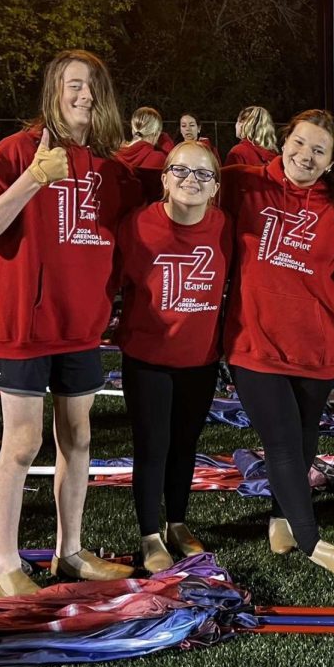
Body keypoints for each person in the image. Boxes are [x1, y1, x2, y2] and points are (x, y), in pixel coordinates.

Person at [0, 49, 139, 597]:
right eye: (73, 84)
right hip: (25, 323)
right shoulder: (19, 149)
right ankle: (5, 567)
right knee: (22, 443)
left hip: (82, 325)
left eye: (93, 86)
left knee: (79, 438)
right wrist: (32, 179)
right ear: (54, 90)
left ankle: (70, 552)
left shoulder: (112, 168)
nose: (84, 94)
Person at [221, 108, 334, 575]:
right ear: (283, 141)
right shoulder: (243, 183)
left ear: (332, 160)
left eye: (319, 150)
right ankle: (310, 539)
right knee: (280, 441)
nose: (305, 155)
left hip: (317, 341)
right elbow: (178, 176)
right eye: (299, 143)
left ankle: (280, 518)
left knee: (303, 440)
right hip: (255, 338)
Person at [114, 141, 231, 572]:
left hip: (199, 358)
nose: (190, 180)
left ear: (216, 186)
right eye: (180, 170)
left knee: (186, 445)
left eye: (203, 174)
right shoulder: (137, 226)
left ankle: (178, 522)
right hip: (148, 357)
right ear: (163, 179)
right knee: (153, 446)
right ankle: (150, 535)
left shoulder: (224, 227)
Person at [117, 106, 176, 204]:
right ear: (156, 133)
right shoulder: (158, 158)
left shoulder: (117, 153)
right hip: (144, 215)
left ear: (133, 129)